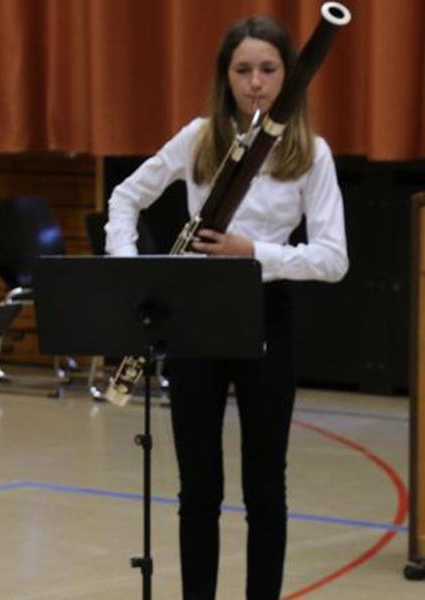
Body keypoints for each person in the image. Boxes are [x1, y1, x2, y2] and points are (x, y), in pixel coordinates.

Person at [104, 15, 348, 600]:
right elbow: (125, 197)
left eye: (268, 70)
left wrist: (253, 252)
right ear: (226, 78)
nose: (257, 83)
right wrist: (133, 270)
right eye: (244, 70)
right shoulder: (197, 138)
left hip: (267, 313)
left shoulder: (310, 152)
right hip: (195, 315)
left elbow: (333, 258)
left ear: (288, 77)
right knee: (199, 489)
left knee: (266, 487)